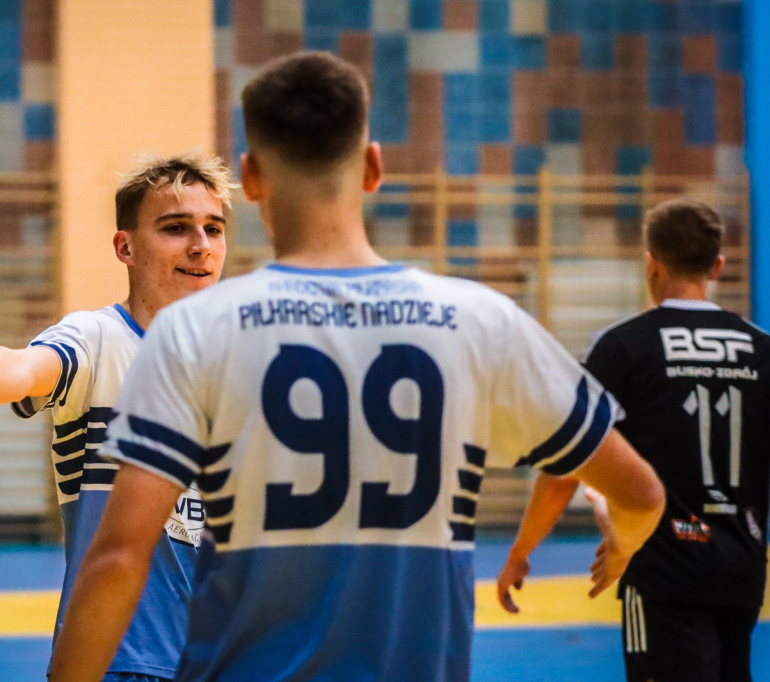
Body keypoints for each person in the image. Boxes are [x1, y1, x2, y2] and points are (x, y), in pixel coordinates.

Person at [50, 51, 665, 682]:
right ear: (373, 166)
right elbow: (642, 493)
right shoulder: (478, 320)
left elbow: (119, 559)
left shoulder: (194, 333)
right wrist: (623, 542)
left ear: (252, 177)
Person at [0, 153, 235, 680]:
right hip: (122, 665)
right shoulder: (98, 340)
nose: (201, 245)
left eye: (213, 229)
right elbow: (23, 367)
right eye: (175, 228)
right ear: (126, 246)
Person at [497, 197, 770, 682]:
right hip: (742, 566)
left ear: (650, 262)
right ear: (718, 267)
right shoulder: (761, 346)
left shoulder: (623, 346)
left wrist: (520, 553)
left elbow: (564, 467)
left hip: (665, 567)